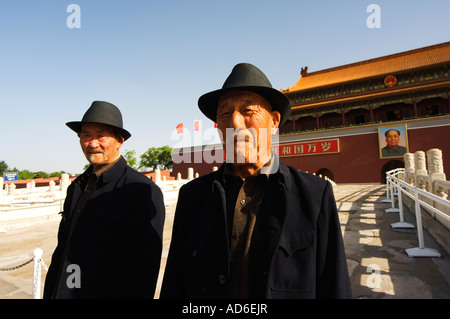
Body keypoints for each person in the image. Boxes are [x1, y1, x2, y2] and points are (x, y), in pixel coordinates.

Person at [160, 63, 351, 299]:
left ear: (274, 121)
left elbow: (333, 284)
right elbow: (175, 283)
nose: (236, 124)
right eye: (225, 114)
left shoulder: (314, 195)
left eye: (248, 111)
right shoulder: (193, 196)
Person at [44, 101, 165, 299]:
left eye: (101, 135)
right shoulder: (77, 187)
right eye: (86, 135)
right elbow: (64, 252)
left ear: (119, 141)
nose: (92, 143)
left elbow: (141, 272)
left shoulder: (140, 191)